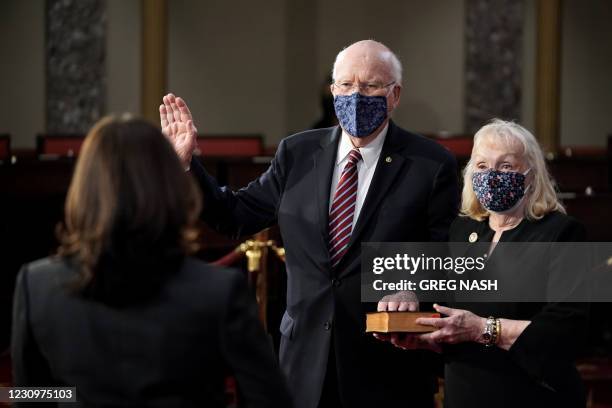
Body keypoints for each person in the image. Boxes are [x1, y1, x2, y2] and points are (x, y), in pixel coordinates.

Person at [160, 40, 459, 408]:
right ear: (333, 92)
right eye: (346, 86)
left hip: (387, 366)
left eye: (369, 86)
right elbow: (234, 217)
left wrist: (413, 289)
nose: (355, 95)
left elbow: (448, 253)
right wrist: (187, 164)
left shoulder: (430, 163)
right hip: (304, 365)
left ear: (394, 95)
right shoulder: (297, 152)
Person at [11, 116, 292, 408]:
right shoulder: (218, 292)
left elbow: (27, 396)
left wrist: (73, 397)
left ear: (82, 189)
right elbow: (270, 399)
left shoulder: (37, 285)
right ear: (169, 189)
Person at [381, 119, 589, 407]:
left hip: (533, 396)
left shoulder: (565, 232)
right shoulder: (463, 230)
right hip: (466, 393)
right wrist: (425, 335)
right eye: (481, 166)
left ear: (531, 175)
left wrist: (482, 328)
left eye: (506, 166)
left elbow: (569, 332)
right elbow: (446, 310)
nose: (491, 175)